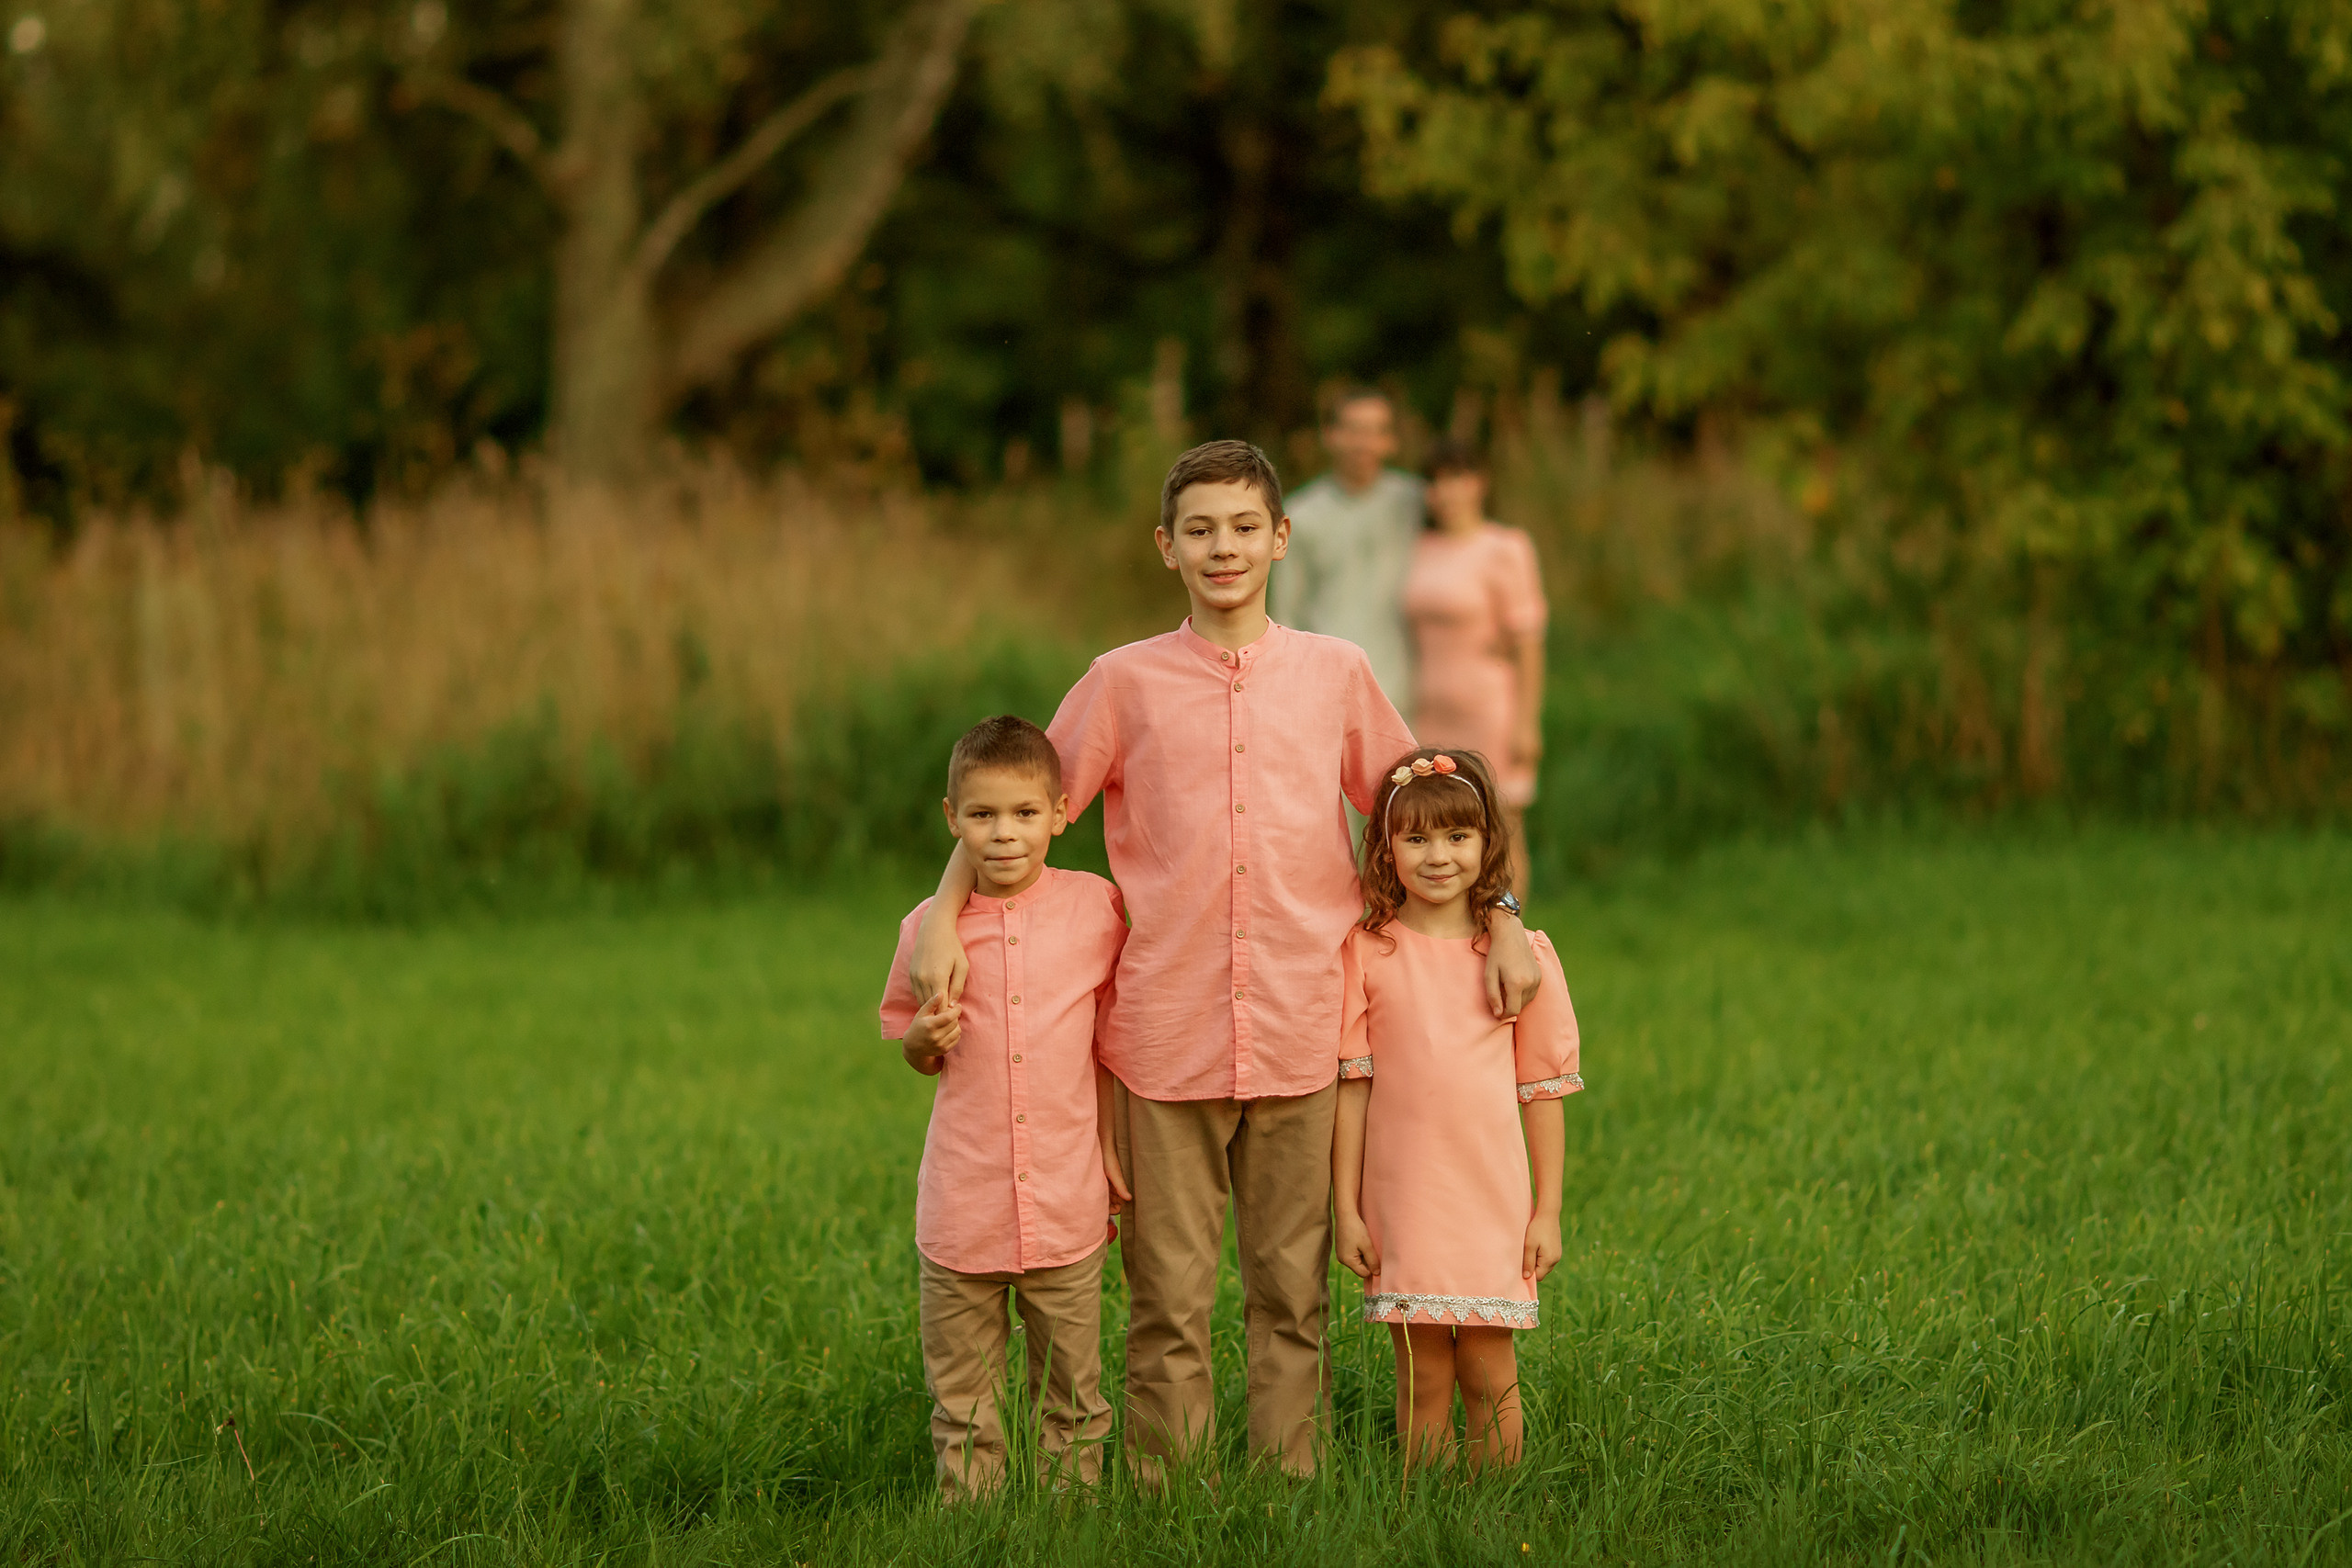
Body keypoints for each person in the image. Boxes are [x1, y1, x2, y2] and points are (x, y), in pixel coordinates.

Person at [906, 440, 1546, 1483]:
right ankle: (1171, 1493)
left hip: (1302, 1028)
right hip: (1164, 1037)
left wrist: (1504, 913)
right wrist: (946, 907)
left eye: (1244, 526)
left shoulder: (1336, 673)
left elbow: (1428, 815)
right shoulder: (1122, 683)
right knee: (1167, 1298)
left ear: (1281, 539)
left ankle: (1287, 1483)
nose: (1223, 547)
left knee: (1291, 1294)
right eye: (1199, 529)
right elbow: (1017, 807)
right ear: (1166, 546)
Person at [878, 716, 1131, 1501]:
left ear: (1060, 811)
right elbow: (918, 1053)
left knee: (1074, 1397)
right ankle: (974, 1519)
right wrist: (922, 1036)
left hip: (1066, 1203)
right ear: (951, 820)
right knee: (965, 1400)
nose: (1005, 834)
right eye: (982, 816)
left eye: (1025, 814)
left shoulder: (1098, 909)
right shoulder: (929, 930)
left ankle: (1070, 1516)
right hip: (964, 1207)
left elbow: (1120, 1040)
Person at [1330, 746, 1582, 1472]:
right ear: (1386, 848)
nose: (1438, 855)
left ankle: (1495, 1512)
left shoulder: (1519, 954)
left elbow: (1543, 1090)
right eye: (1416, 838)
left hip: (1489, 1196)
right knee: (1423, 1374)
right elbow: (1354, 1086)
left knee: (1487, 1371)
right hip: (1404, 1196)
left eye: (1457, 836)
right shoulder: (1368, 952)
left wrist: (1548, 1208)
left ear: (1486, 843)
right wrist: (1346, 1207)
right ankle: (1428, 1513)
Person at [1405, 440, 1548, 894]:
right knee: (1440, 829)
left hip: (1488, 707)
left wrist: (1527, 723)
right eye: (1437, 481)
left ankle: (1512, 942)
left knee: (1501, 830)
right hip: (1429, 710)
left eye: (1458, 478)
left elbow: (1528, 640)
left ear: (1480, 484)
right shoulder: (1420, 547)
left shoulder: (1504, 547)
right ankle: (1454, 947)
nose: (1447, 492)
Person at [1273, 389, 1424, 717]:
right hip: (1327, 688)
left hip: (1406, 688)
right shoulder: (1301, 514)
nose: (1363, 443)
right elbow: (1286, 612)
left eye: (1375, 432)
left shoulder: (1416, 504)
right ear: (1331, 436)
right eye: (1354, 431)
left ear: (1390, 441)